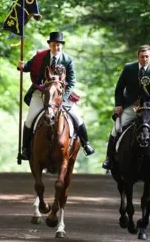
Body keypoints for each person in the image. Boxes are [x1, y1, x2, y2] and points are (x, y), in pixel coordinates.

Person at [17, 32, 95, 160]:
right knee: (30, 119)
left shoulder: (68, 60)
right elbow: (27, 67)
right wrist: (22, 66)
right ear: (49, 45)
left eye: (58, 45)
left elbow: (72, 82)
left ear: (61, 46)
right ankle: (25, 149)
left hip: (61, 95)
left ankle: (86, 144)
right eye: (53, 45)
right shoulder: (40, 56)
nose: (56, 48)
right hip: (41, 92)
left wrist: (63, 98)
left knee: (77, 117)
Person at [102, 44, 150, 172]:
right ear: (138, 57)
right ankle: (109, 158)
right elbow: (119, 89)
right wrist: (118, 105)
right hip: (132, 106)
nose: (144, 59)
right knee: (116, 129)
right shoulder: (128, 68)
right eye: (142, 57)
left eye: (147, 57)